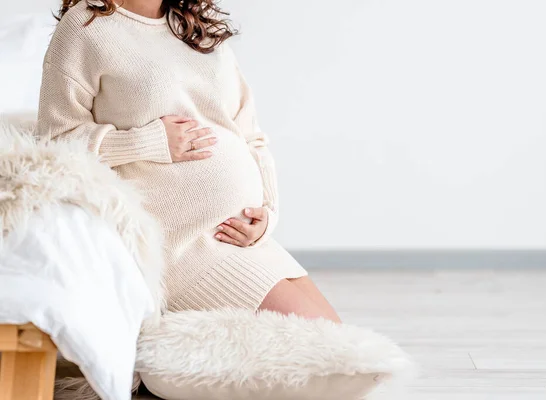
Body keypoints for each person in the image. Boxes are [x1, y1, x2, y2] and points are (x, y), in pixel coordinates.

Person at [37, 0, 340, 323]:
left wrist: (269, 212)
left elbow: (250, 135)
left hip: (242, 236)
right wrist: (148, 142)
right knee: (328, 347)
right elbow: (56, 141)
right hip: (184, 244)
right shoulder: (86, 26)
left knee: (347, 349)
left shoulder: (195, 23)